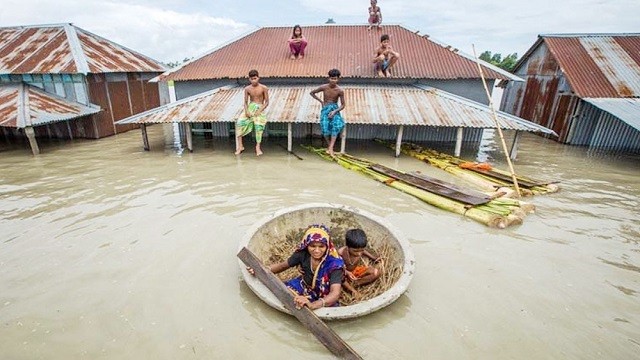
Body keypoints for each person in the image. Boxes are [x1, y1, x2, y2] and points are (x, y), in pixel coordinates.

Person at [247, 225, 345, 310]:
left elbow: (335, 293)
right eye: (312, 246)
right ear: (307, 245)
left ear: (327, 246)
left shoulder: (334, 265)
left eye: (321, 246)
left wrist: (313, 305)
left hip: (324, 295)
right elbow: (283, 266)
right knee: (282, 292)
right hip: (305, 286)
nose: (316, 250)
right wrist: (260, 269)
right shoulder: (302, 254)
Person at [310, 69, 346, 157]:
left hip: (334, 108)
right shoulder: (324, 87)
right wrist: (321, 102)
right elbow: (312, 93)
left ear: (338, 79)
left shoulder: (340, 90)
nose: (333, 80)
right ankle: (329, 146)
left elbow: (343, 105)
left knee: (336, 125)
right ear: (328, 78)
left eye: (335, 79)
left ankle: (330, 148)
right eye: (332, 78)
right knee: (324, 127)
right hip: (325, 109)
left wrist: (334, 111)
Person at [337, 229, 382, 300]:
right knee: (338, 283)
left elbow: (363, 251)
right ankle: (349, 288)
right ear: (347, 246)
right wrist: (346, 272)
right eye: (355, 251)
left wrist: (373, 258)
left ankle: (355, 284)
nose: (359, 253)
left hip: (354, 272)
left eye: (361, 250)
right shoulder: (341, 253)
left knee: (376, 272)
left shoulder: (359, 250)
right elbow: (336, 267)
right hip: (343, 274)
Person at [235, 69, 269, 156]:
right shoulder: (247, 89)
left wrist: (260, 110)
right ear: (249, 79)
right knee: (239, 123)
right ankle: (240, 146)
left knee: (258, 126)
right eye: (252, 79)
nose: (254, 80)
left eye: (255, 78)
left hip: (259, 108)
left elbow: (267, 102)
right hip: (250, 107)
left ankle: (258, 147)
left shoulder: (264, 88)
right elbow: (245, 102)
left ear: (258, 78)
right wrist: (246, 111)